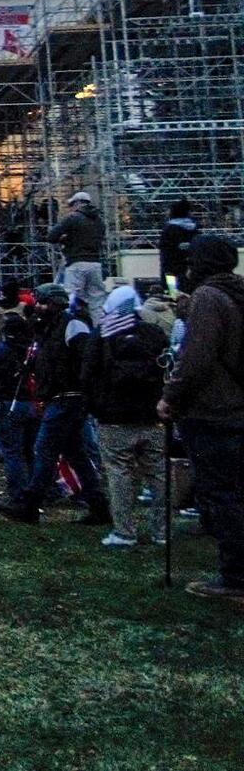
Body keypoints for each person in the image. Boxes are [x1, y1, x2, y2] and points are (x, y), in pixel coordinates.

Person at [158, 234, 244, 602]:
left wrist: (170, 399)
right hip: (237, 407)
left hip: (213, 411)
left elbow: (196, 361)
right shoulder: (235, 295)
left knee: (222, 497)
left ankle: (235, 577)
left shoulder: (209, 298)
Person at [0, 283, 110, 525]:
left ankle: (30, 504)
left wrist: (83, 392)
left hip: (68, 398)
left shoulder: (72, 324)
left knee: (44, 448)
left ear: (57, 302)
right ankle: (99, 505)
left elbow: (86, 359)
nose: (38, 307)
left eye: (44, 302)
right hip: (58, 398)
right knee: (76, 454)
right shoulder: (47, 330)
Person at [84, 284, 169, 547]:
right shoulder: (155, 334)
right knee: (158, 473)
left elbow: (88, 374)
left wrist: (96, 407)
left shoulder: (103, 335)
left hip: (114, 417)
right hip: (152, 415)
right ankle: (162, 531)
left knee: (119, 473)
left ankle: (124, 531)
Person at [0, 311, 37, 505]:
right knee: (31, 451)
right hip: (32, 404)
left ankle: (18, 493)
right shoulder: (32, 352)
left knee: (12, 452)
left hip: (7, 403)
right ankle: (37, 490)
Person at [49, 190, 108, 317]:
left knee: (70, 298)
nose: (70, 208)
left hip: (76, 263)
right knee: (97, 301)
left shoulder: (72, 218)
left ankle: (72, 328)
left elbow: (52, 236)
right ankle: (99, 330)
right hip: (95, 264)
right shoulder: (100, 221)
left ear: (77, 203)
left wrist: (65, 239)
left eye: (71, 205)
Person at [159, 201, 199, 293]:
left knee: (172, 295)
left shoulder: (169, 230)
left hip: (171, 272)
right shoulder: (194, 229)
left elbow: (165, 255)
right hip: (190, 271)